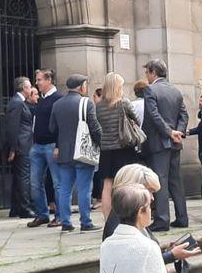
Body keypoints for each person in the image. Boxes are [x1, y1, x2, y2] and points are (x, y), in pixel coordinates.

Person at [49, 74, 103, 232]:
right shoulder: (86, 103)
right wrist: (102, 143)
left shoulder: (57, 104)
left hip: (64, 153)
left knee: (65, 189)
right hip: (83, 151)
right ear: (81, 86)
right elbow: (94, 127)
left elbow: (52, 128)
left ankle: (65, 222)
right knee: (85, 188)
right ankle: (85, 222)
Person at [142, 59, 189, 230]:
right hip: (174, 142)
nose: (146, 76)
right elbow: (184, 115)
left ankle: (162, 220)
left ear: (153, 72)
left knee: (160, 180)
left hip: (159, 142)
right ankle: (182, 217)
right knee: (175, 181)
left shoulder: (150, 89)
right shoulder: (175, 90)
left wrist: (170, 133)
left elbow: (154, 116)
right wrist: (178, 132)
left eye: (147, 72)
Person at [95, 72, 142, 218]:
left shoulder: (99, 106)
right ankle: (127, 215)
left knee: (107, 185)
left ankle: (108, 219)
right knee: (127, 183)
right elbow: (137, 120)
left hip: (106, 150)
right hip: (124, 148)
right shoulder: (124, 103)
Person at [29, 69, 64, 227]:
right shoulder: (41, 100)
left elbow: (61, 125)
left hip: (51, 145)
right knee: (35, 182)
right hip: (37, 146)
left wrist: (58, 145)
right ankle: (42, 214)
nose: (37, 83)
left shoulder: (58, 99)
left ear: (49, 80)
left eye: (39, 80)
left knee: (57, 182)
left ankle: (60, 215)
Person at [2, 77, 37, 220]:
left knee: (19, 177)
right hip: (22, 145)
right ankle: (24, 208)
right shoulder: (17, 103)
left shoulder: (18, 102)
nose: (31, 89)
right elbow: (13, 126)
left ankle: (16, 207)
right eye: (29, 87)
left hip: (22, 144)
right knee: (23, 178)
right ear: (24, 88)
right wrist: (13, 148)